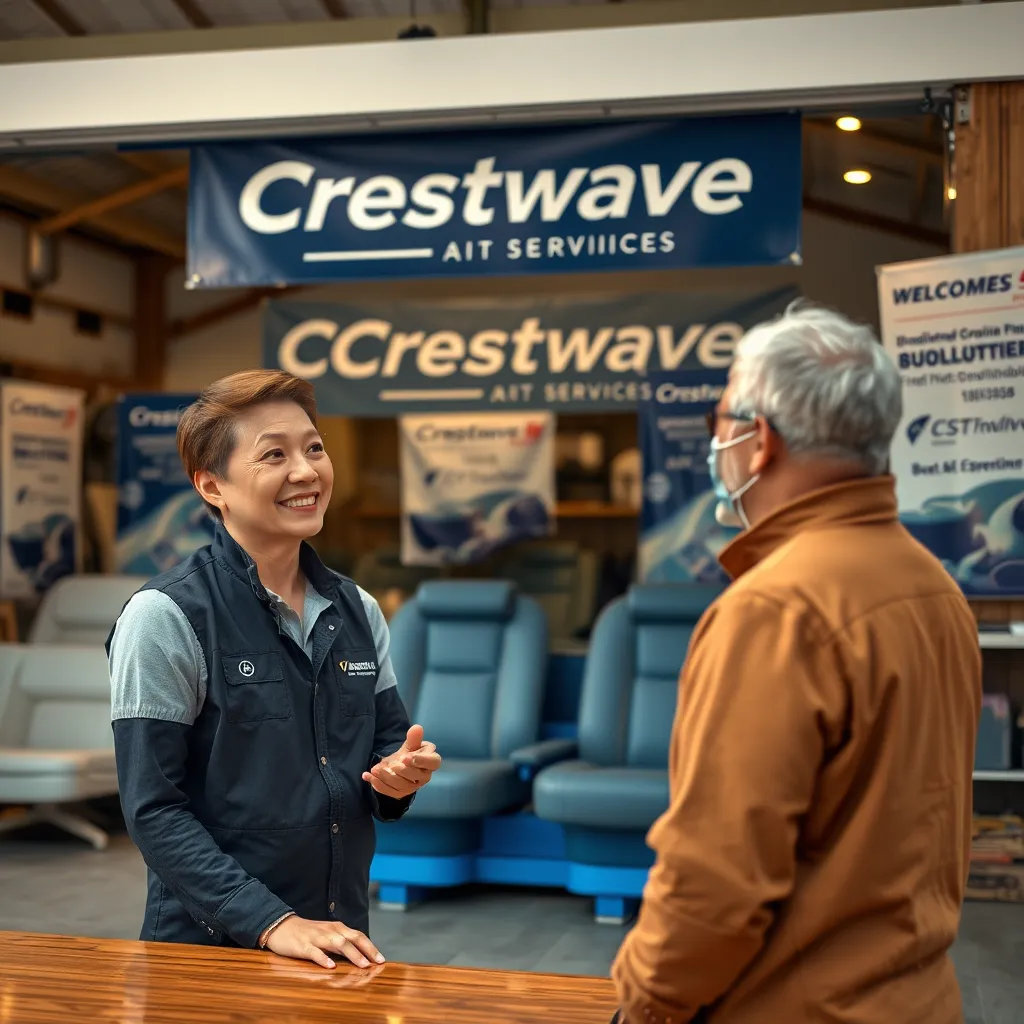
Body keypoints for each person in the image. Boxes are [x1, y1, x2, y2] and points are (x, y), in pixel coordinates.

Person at [611, 303, 982, 1023]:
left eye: (722, 420)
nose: (715, 442)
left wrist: (646, 1005)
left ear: (761, 441)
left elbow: (716, 877)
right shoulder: (932, 584)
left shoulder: (775, 609)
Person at [107, 369, 441, 969]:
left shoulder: (357, 609)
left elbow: (385, 744)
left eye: (314, 447)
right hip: (209, 953)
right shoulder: (164, 616)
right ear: (213, 486)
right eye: (274, 455)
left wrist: (397, 778)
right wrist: (271, 923)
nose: (307, 471)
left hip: (337, 942)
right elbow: (153, 809)